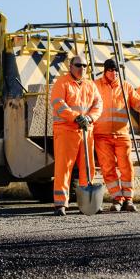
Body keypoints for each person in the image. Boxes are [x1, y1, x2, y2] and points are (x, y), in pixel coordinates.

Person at [94, 58, 140, 212]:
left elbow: (139, 104)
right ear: (105, 71)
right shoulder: (95, 86)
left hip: (122, 135)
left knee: (126, 167)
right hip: (101, 135)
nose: (113, 73)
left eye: (116, 70)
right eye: (110, 70)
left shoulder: (125, 87)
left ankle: (128, 199)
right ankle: (117, 199)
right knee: (108, 168)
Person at [50, 55, 103, 216]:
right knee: (64, 167)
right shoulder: (62, 82)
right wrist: (75, 116)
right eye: (78, 65)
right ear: (70, 66)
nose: (82, 68)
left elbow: (98, 104)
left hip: (86, 131)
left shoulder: (90, 85)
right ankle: (61, 204)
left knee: (88, 168)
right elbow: (58, 103)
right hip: (66, 131)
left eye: (85, 66)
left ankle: (87, 205)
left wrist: (89, 118)